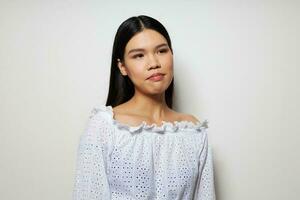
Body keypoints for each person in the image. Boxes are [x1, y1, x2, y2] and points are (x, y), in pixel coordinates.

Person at [72, 15, 216, 200]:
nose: (154, 63)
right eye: (139, 55)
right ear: (122, 67)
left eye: (161, 51)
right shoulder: (106, 126)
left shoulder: (193, 130)